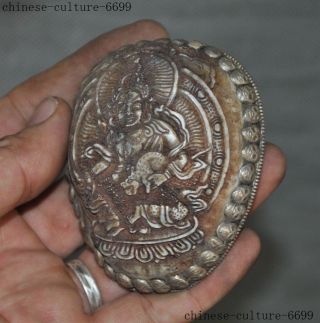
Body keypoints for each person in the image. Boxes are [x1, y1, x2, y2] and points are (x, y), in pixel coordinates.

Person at [0, 20, 286, 322]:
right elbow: (110, 166)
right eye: (123, 105)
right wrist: (104, 164)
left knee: (172, 210)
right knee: (98, 181)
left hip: (153, 193)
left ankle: (144, 220)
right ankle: (127, 222)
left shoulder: (163, 128)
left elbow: (180, 157)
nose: (128, 110)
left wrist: (165, 170)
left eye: (135, 104)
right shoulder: (116, 134)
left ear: (150, 102)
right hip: (124, 204)